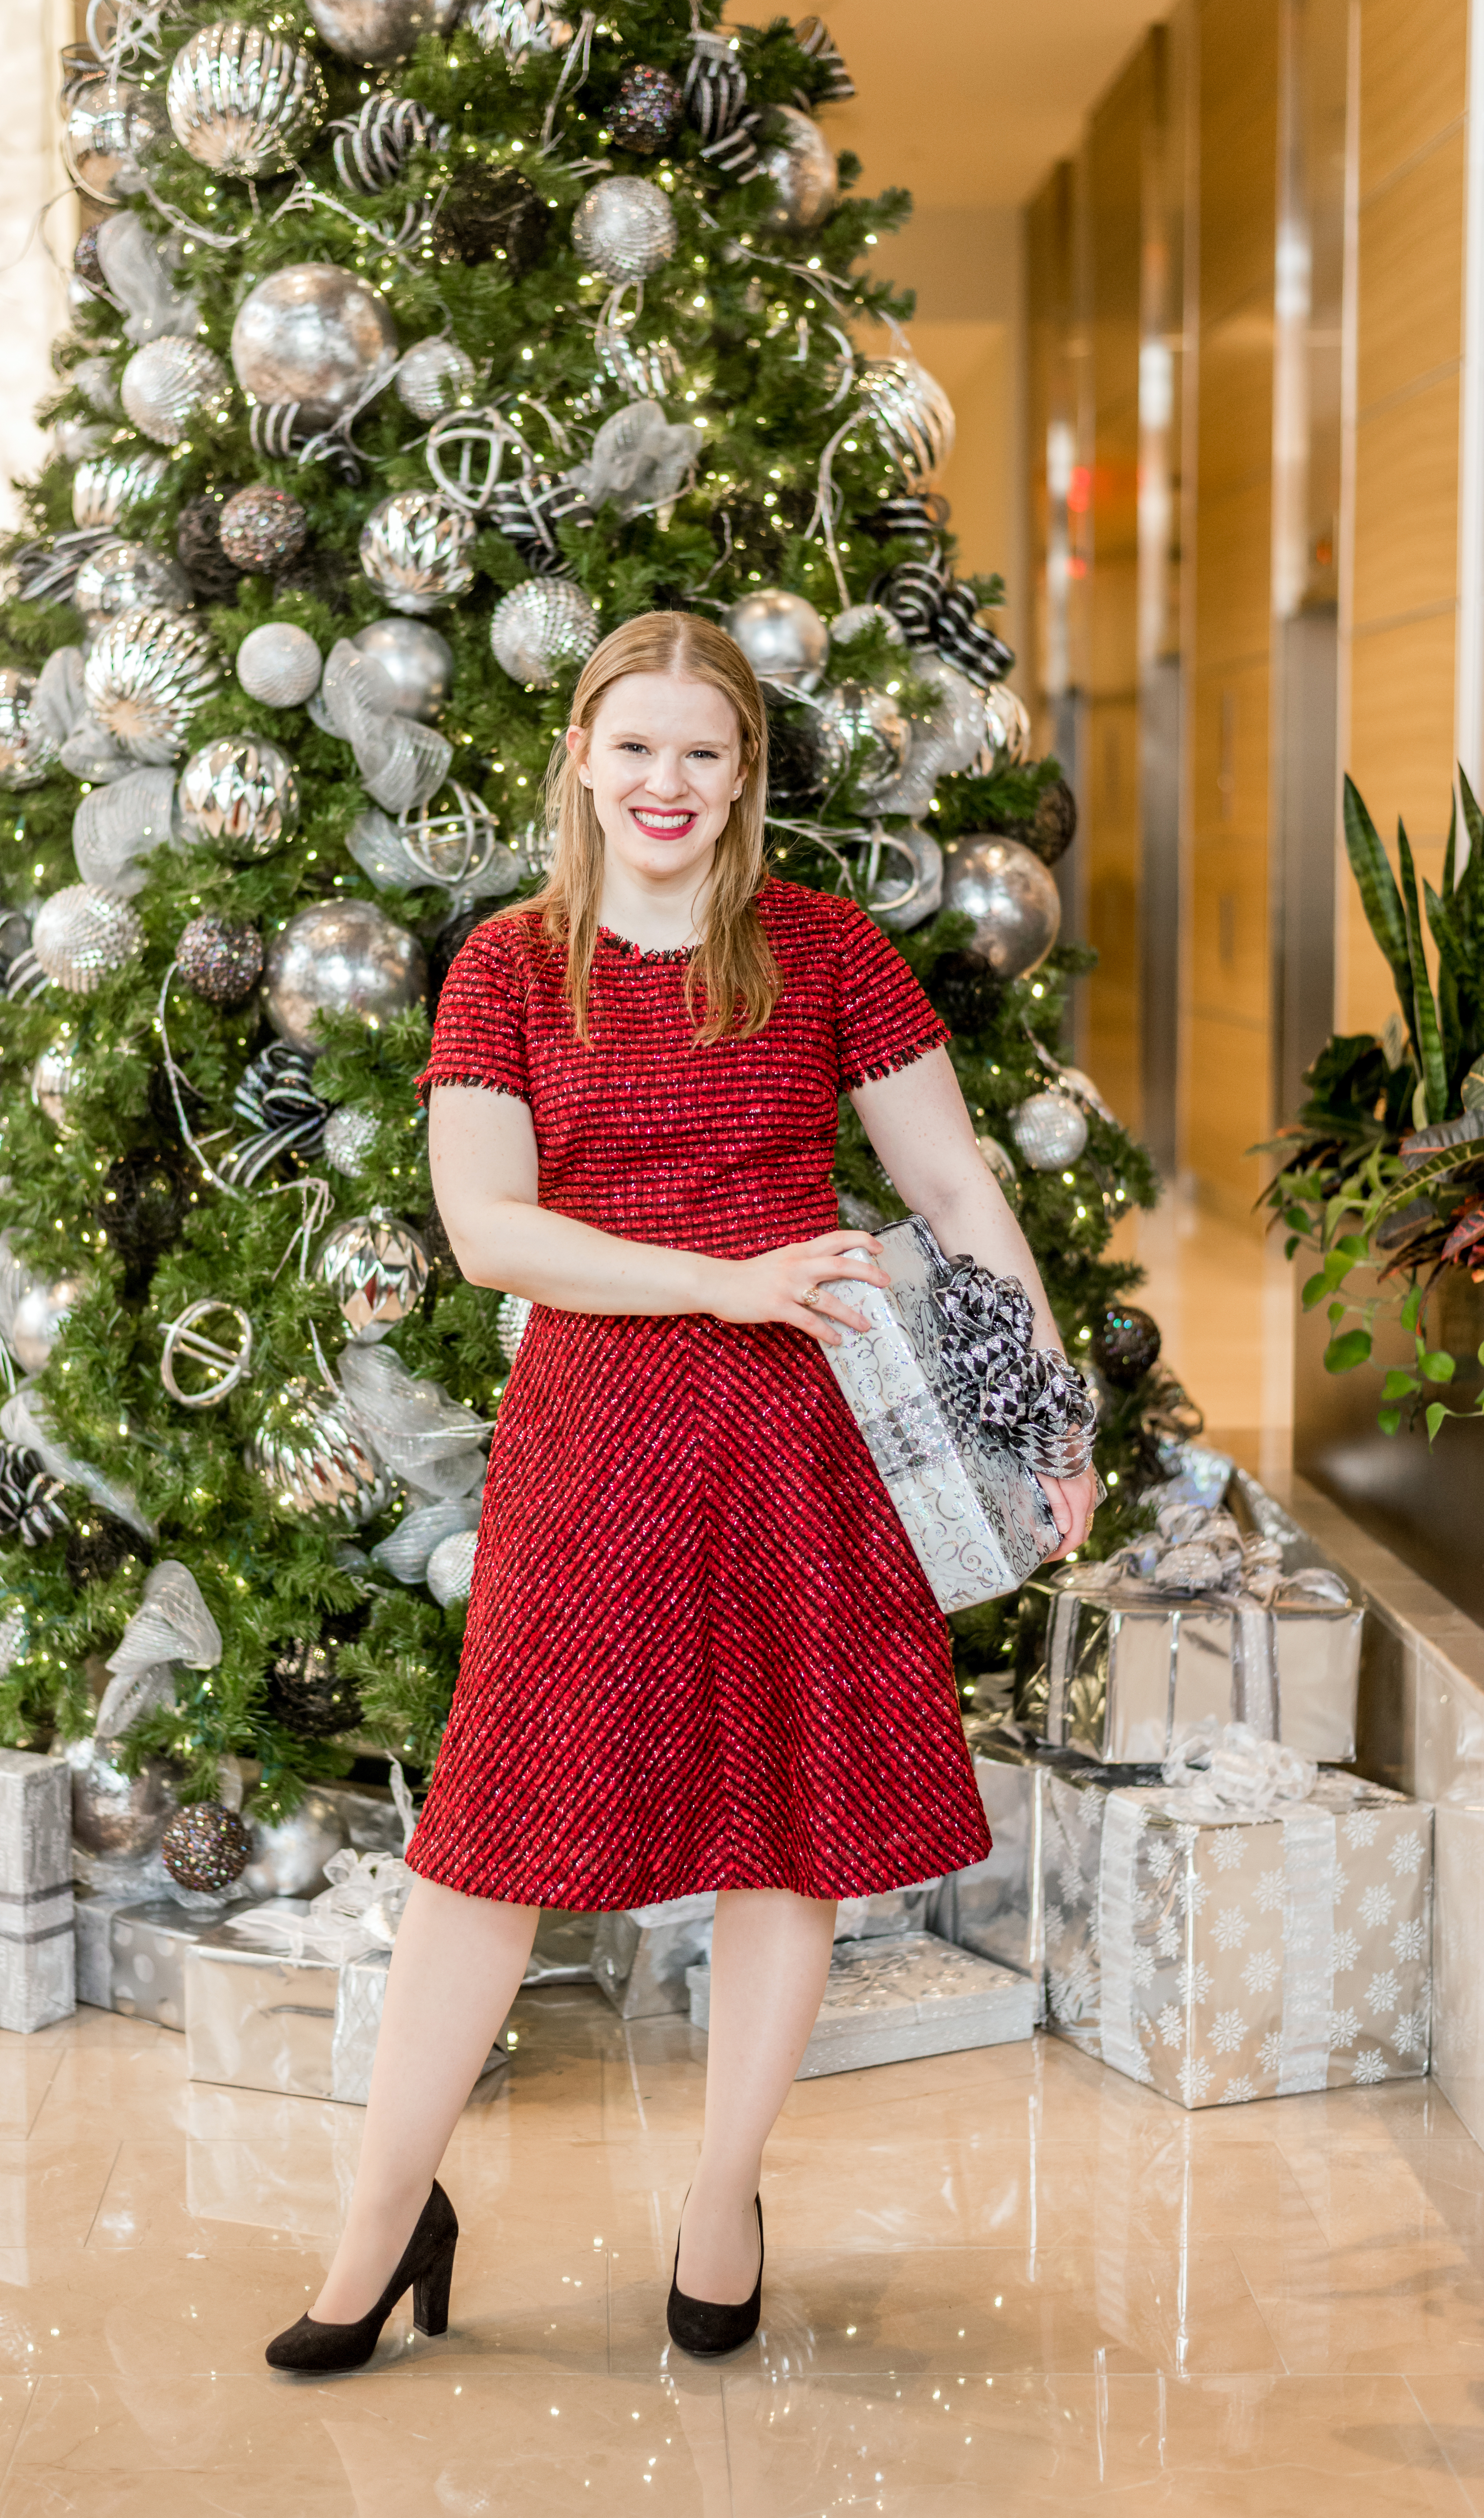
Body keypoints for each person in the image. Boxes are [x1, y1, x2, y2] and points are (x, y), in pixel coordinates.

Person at [264, 610, 1099, 2375]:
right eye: (632, 746)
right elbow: (491, 1233)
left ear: (746, 775)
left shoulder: (822, 948)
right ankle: (379, 2214)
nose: (665, 782)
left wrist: (1045, 1413)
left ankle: (722, 2196)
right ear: (580, 756)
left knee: (783, 1828)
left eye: (701, 752)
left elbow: (950, 1184)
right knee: (487, 1846)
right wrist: (723, 1280)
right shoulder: (504, 963)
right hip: (597, 1441)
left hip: (806, 1444)